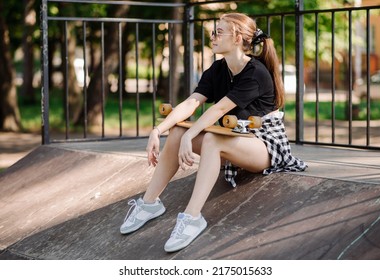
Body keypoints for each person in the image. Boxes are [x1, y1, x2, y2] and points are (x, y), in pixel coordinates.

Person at [120, 12, 307, 253]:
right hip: (235, 140)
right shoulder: (218, 69)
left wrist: (191, 135)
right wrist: (158, 130)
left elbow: (220, 108)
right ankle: (148, 204)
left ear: (238, 37)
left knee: (211, 137)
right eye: (213, 32)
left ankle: (192, 217)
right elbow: (191, 103)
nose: (213, 37)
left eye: (219, 32)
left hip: (265, 146)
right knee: (177, 132)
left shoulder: (256, 72)